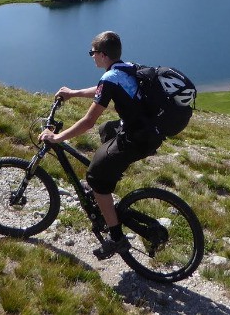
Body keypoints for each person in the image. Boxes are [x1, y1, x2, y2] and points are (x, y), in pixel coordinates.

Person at [38, 30, 163, 259]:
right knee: (106, 130)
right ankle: (108, 179)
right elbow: (102, 92)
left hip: (137, 138)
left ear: (103, 54)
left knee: (94, 177)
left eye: (92, 53)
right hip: (145, 130)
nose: (91, 56)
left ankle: (116, 239)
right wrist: (73, 93)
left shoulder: (110, 77)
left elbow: (87, 122)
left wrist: (56, 138)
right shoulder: (125, 67)